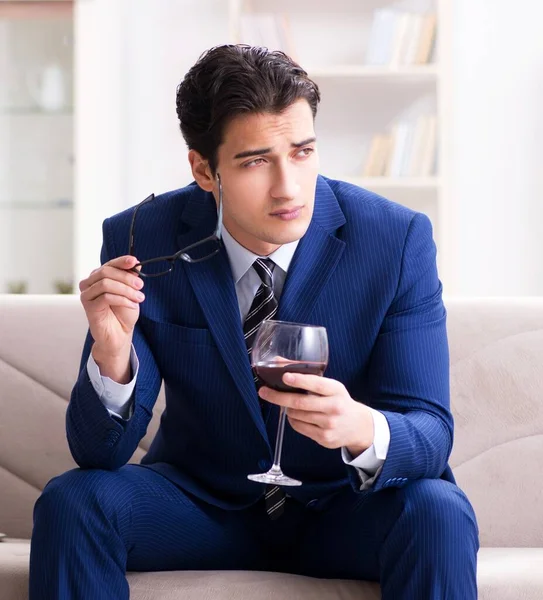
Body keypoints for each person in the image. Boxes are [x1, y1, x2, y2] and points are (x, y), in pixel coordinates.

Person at [29, 44, 478, 599]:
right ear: (203, 169)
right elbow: (99, 454)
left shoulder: (394, 240)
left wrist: (362, 428)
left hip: (344, 507)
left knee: (438, 508)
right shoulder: (143, 237)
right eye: (255, 161)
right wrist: (112, 354)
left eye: (303, 151)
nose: (289, 187)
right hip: (201, 506)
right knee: (73, 501)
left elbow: (431, 433)